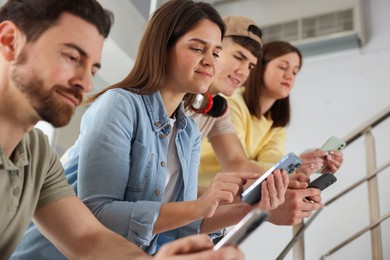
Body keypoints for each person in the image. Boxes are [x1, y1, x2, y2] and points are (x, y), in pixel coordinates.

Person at [12, 0, 287, 258]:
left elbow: (182, 224)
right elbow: (99, 215)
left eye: (215, 52)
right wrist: (201, 205)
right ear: (163, 48)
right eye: (197, 48)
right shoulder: (120, 104)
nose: (210, 61)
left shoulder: (188, 132)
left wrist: (247, 208)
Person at [191, 18, 324, 225]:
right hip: (195, 203)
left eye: (250, 65)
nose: (243, 72)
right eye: (238, 57)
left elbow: (238, 162)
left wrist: (289, 177)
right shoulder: (229, 103)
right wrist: (281, 180)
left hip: (204, 207)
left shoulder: (218, 109)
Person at [199, 40, 344, 199]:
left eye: (295, 72)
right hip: (199, 192)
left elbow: (272, 158)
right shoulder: (232, 103)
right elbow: (238, 164)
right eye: (283, 67)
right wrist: (293, 167)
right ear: (259, 68)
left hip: (229, 198)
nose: (289, 76)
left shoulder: (276, 122)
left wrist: (301, 165)